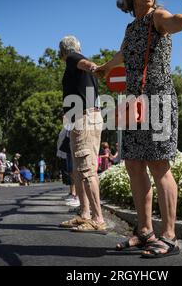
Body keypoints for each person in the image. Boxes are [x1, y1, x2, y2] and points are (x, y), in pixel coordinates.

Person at [94, 0, 182, 257]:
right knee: (134, 165)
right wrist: (105, 67)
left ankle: (169, 236)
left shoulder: (158, 17)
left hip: (159, 100)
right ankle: (144, 231)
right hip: (133, 103)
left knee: (159, 166)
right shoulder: (131, 29)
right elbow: (122, 55)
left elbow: (174, 20)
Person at [58, 35, 107, 234]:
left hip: (84, 119)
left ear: (62, 51)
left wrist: (95, 68)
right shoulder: (75, 65)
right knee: (79, 170)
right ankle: (85, 214)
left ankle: (98, 219)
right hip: (83, 119)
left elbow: (87, 63)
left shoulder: (72, 58)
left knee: (87, 170)